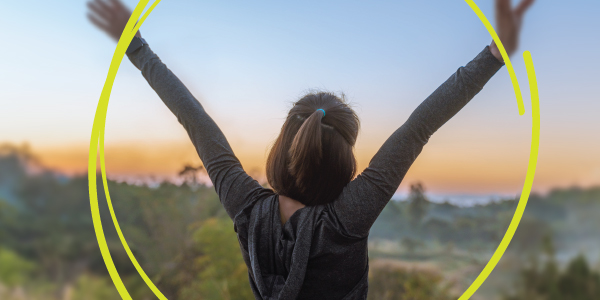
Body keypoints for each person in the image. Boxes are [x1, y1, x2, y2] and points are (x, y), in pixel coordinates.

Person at [88, 0, 534, 299]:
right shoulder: (347, 219)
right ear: (345, 164)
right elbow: (418, 128)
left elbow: (194, 119)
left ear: (283, 148)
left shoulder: (248, 209)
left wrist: (136, 46)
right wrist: (495, 54)